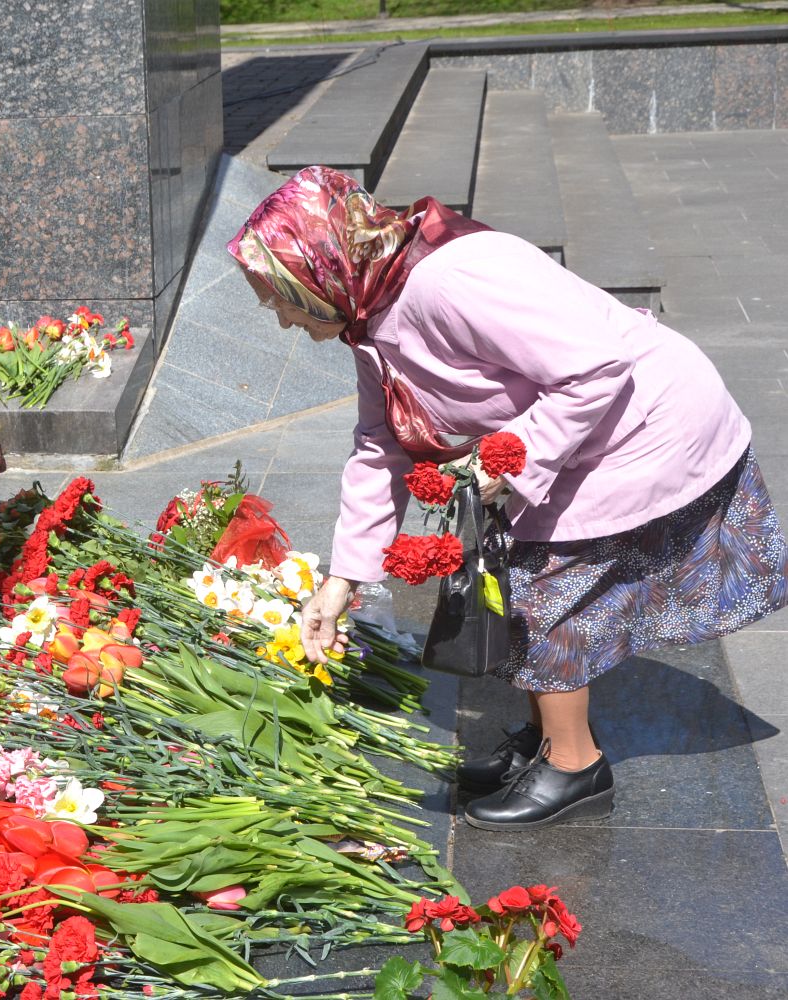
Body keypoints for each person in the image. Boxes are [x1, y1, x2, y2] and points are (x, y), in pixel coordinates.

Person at [229, 166, 788, 831]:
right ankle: (546, 742)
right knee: (520, 581)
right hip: (586, 433)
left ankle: (574, 767)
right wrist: (341, 582)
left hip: (646, 423)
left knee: (541, 591)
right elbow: (380, 446)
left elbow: (596, 366)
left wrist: (507, 458)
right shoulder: (369, 306)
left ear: (320, 270)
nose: (283, 320)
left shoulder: (451, 280)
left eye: (282, 299)